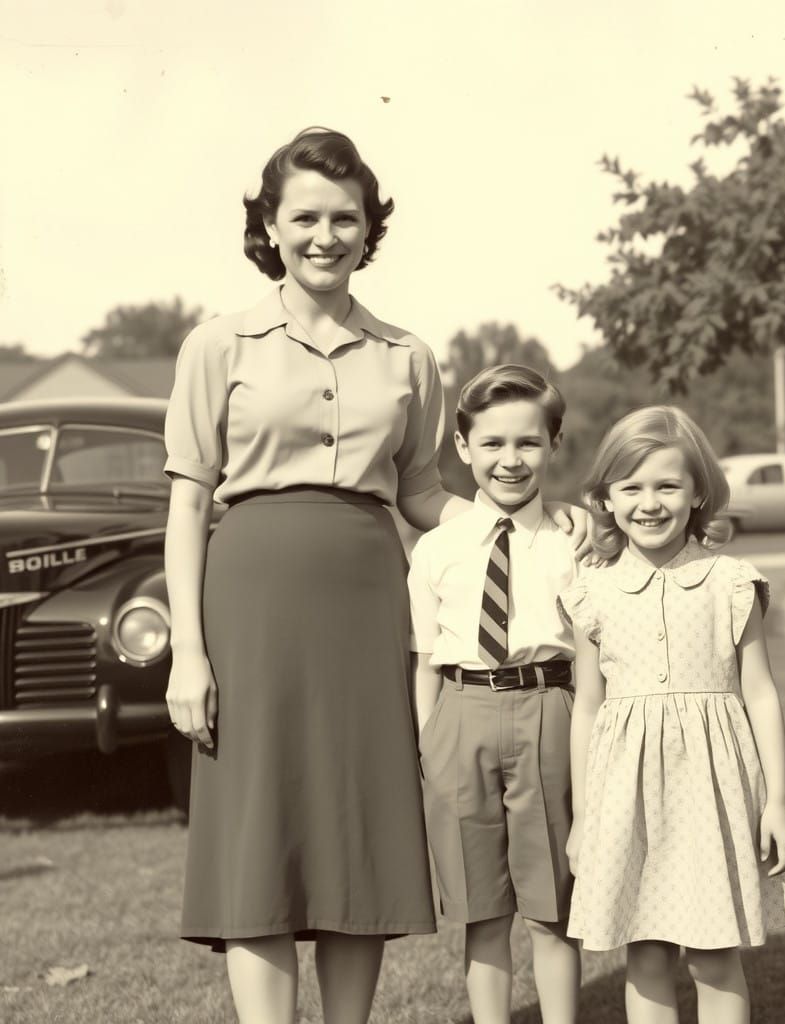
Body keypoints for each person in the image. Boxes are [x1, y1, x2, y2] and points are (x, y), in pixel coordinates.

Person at [162, 128, 585, 1024]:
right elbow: (189, 504)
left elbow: (426, 491)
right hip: (249, 608)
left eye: (344, 218)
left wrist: (528, 527)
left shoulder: (408, 356)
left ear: (369, 228)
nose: (326, 236)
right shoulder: (217, 345)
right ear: (270, 228)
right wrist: (188, 656)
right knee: (258, 829)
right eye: (305, 217)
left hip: (367, 606)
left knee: (356, 825)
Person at [559, 406, 785, 1024]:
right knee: (646, 953)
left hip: (713, 792)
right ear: (605, 497)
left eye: (667, 486)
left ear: (698, 492)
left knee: (712, 957)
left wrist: (778, 800)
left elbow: (760, 692)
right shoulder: (590, 593)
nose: (649, 503)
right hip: (627, 797)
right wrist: (583, 816)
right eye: (631, 487)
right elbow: (588, 709)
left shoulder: (729, 583)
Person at [408, 365, 582, 1024]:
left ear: (554, 445)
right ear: (462, 447)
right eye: (492, 444)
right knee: (481, 911)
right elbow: (425, 658)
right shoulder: (436, 549)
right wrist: (430, 742)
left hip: (549, 711)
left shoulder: (575, 543)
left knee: (551, 908)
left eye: (528, 443)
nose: (510, 461)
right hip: (460, 715)